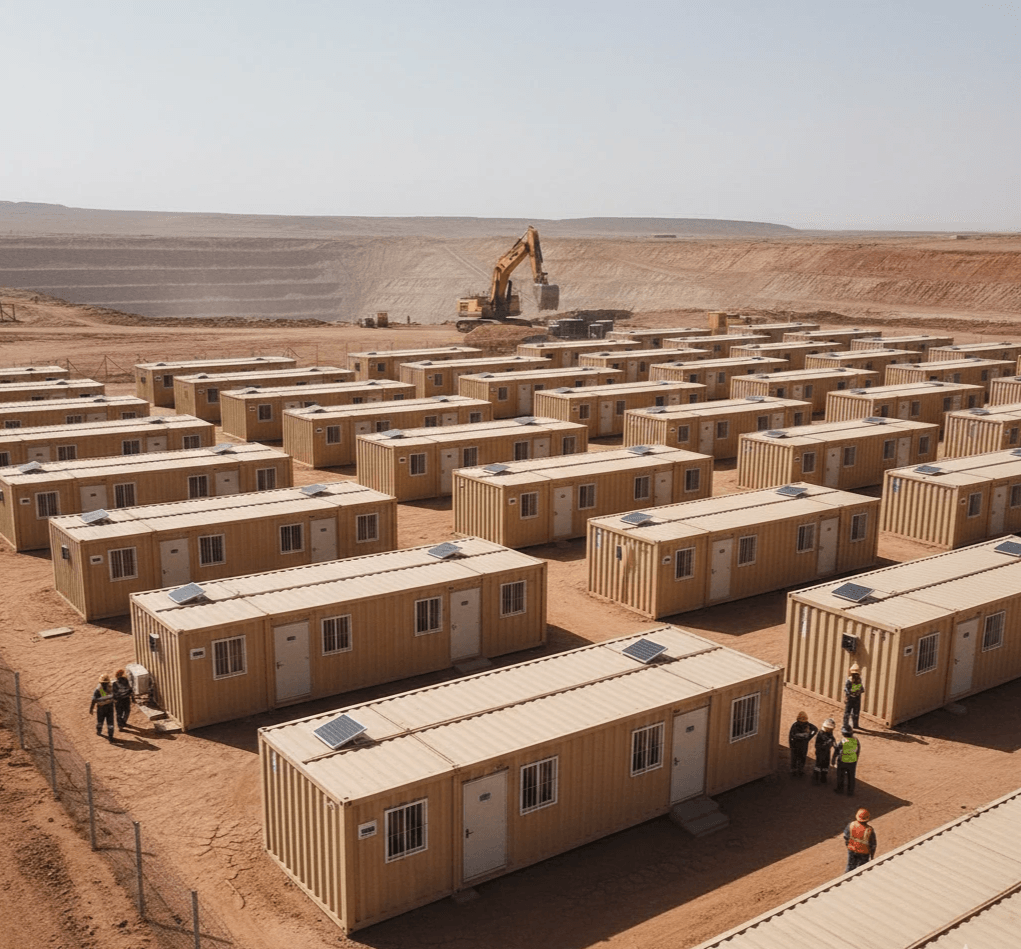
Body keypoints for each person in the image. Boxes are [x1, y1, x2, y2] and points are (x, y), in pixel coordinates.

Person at [842, 807, 877, 873]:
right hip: (864, 853)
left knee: (850, 868)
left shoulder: (851, 825)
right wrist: (872, 856)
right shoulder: (869, 830)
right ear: (867, 818)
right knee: (862, 870)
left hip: (851, 850)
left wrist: (848, 845)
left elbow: (846, 836)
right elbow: (873, 845)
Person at [788, 711, 818, 776]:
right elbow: (791, 735)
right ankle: (794, 770)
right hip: (796, 745)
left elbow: (815, 729)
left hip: (802, 745)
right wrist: (806, 736)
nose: (802, 723)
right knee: (795, 758)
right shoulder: (795, 725)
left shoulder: (807, 725)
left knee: (802, 758)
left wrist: (809, 737)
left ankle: (800, 770)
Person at [833, 725, 860, 796]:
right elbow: (858, 750)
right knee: (851, 777)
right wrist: (856, 759)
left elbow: (837, 750)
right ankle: (850, 792)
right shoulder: (856, 740)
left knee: (840, 775)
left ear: (843, 733)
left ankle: (840, 789)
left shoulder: (843, 741)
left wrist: (833, 759)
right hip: (852, 762)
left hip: (842, 761)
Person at [89, 673, 115, 740]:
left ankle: (99, 731)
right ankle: (110, 736)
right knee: (110, 722)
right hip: (109, 707)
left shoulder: (99, 689)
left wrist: (91, 709)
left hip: (102, 708)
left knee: (101, 721)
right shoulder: (111, 687)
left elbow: (94, 700)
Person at [812, 718, 836, 784]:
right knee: (818, 765)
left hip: (827, 752)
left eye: (830, 729)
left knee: (826, 764)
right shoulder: (820, 734)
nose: (829, 730)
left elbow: (832, 739)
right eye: (828, 728)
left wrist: (834, 744)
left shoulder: (830, 733)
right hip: (820, 752)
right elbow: (818, 745)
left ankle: (823, 776)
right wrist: (827, 743)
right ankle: (815, 778)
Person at [843, 662, 865, 730]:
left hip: (855, 698)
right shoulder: (850, 680)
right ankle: (846, 725)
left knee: (854, 712)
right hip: (852, 698)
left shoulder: (858, 680)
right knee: (849, 712)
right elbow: (847, 689)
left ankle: (854, 725)